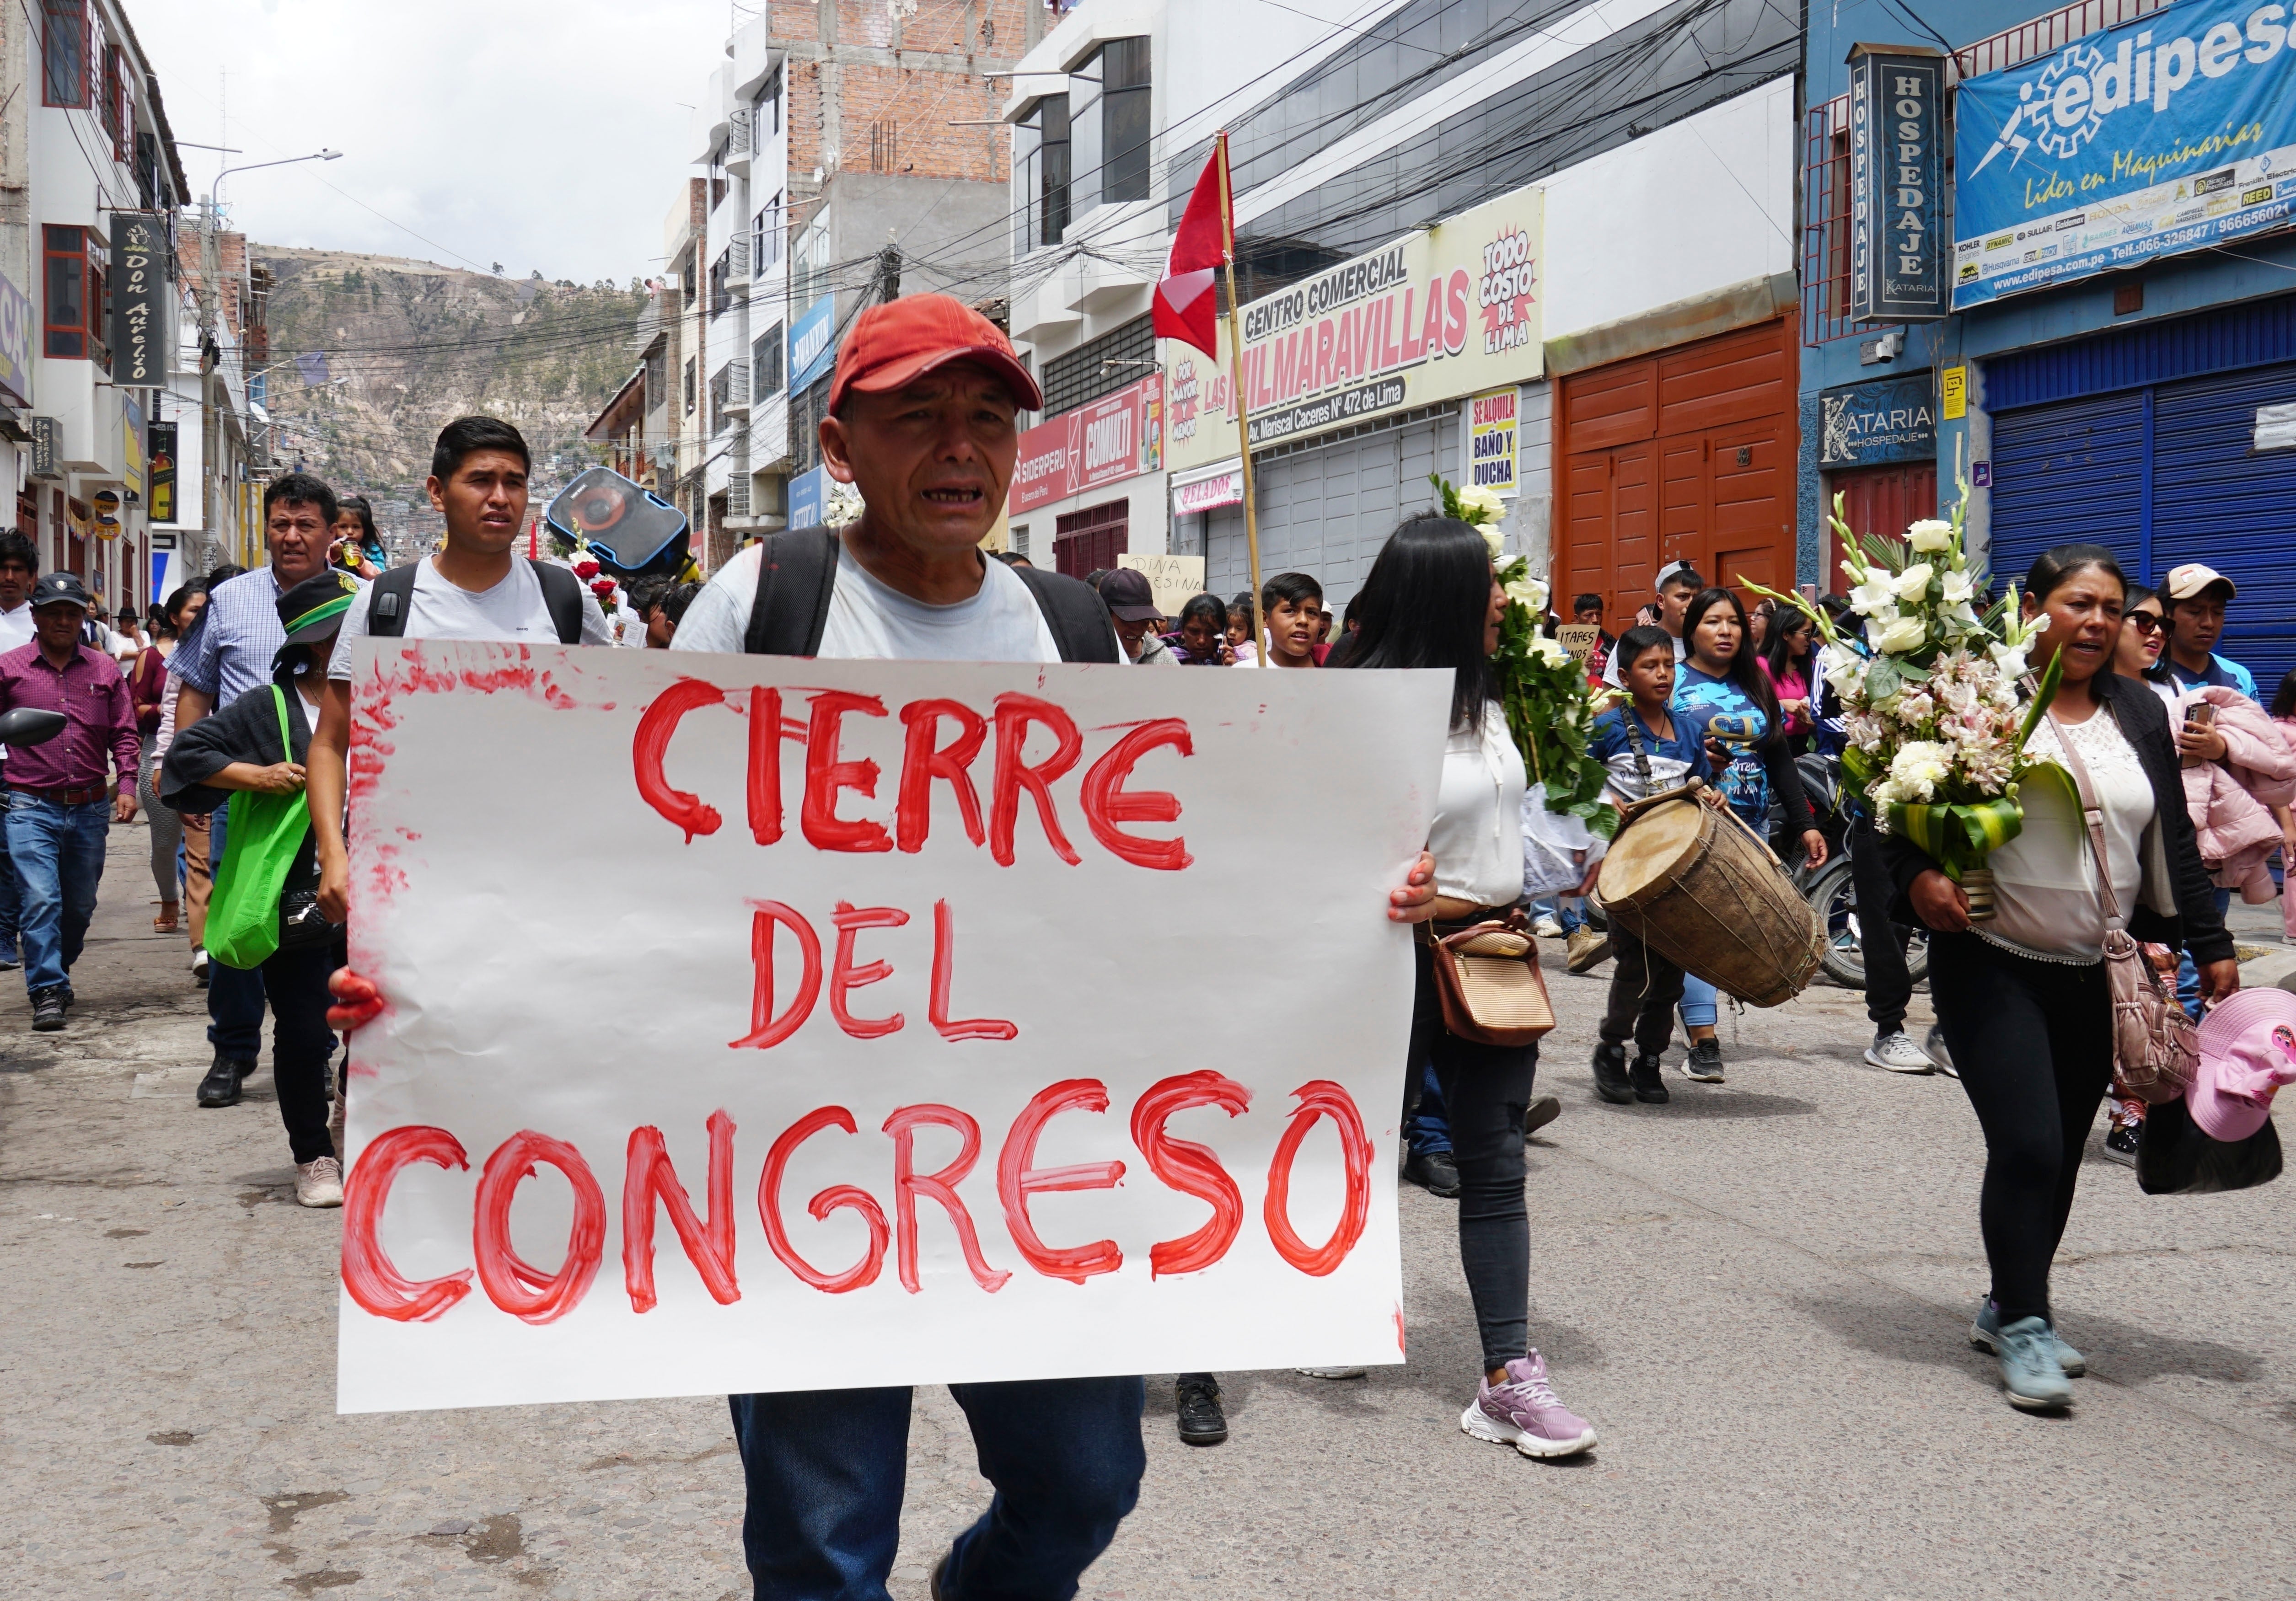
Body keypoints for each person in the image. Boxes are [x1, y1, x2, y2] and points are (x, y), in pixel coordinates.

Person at [325, 294, 1442, 1583]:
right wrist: (432, 970)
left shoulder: (1071, 630)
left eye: (985, 418)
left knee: (1087, 1482)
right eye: (917, 415)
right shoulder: (764, 603)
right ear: (840, 443)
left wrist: (1356, 894)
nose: (959, 446)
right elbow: (607, 865)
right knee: (822, 1545)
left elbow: (1197, 875)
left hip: (1034, 1174)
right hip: (788, 1176)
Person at [1888, 543, 2236, 1412]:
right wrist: (1915, 878)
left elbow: (2175, 843)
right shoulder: (1980, 701)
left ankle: (2009, 1300)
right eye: (2080, 603)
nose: (2098, 622)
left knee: (2063, 1160)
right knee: (2032, 1144)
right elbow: (1889, 812)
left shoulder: (2140, 712)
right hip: (1992, 963)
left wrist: (2210, 940)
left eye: (2113, 609)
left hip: (2098, 971)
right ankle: (2026, 1321)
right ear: (2034, 608)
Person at [1336, 510, 1595, 1458]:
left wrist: (1564, 863)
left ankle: (1507, 1374)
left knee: (1493, 1162)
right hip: (1386, 965)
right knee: (1352, 1148)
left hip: (1489, 958)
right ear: (1442, 595)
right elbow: (1311, 843)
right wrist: (1382, 887)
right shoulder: (1358, 704)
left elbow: (1500, 818)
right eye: (1486, 583)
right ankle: (1320, 1306)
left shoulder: (1484, 699)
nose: (1502, 599)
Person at [161, 569, 358, 1207]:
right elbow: (185, 758)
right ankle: (313, 1156)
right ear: (314, 644)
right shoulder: (268, 707)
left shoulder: (393, 696)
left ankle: (352, 1115)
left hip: (381, 892)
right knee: (304, 1031)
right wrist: (257, 775)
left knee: (380, 1027)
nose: (350, 642)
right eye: (338, 633)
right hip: (294, 896)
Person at [172, 476, 342, 1108]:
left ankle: (317, 1052)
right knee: (239, 925)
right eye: (280, 524)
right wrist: (195, 783)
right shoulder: (230, 598)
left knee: (324, 937)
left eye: (305, 525)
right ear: (266, 527)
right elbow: (194, 686)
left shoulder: (361, 601)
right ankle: (233, 1050)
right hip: (249, 797)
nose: (291, 536)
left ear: (331, 532)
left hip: (331, 806)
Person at [1668, 587, 1827, 1082]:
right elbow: (1648, 745)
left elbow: (1779, 755)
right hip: (1692, 826)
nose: (1726, 631)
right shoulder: (1670, 679)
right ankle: (1703, 1036)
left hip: (1752, 825)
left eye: (1733, 622)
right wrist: (1693, 760)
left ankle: (1679, 1018)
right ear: (1692, 628)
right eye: (1713, 622)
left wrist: (1804, 825)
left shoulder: (1754, 681)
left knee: (1733, 927)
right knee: (1703, 928)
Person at [1586, 626, 1720, 1103]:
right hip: (1627, 872)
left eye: (1667, 665)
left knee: (1670, 976)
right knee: (1635, 970)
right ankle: (1611, 1048)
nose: (1661, 675)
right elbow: (1577, 778)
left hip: (1676, 875)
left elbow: (1699, 786)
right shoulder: (1607, 728)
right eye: (1649, 666)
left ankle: (1649, 1058)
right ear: (1624, 675)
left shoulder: (1686, 731)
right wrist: (1603, 799)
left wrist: (1710, 796)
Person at [0, 573, 140, 1029]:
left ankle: (58, 970)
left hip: (90, 805)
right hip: (28, 803)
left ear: (83, 619)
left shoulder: (103, 670)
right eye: (53, 612)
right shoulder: (9, 668)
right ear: (36, 616)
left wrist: (129, 786)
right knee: (40, 899)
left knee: (78, 906)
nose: (63, 620)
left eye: (72, 613)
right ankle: (46, 990)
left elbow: (124, 730)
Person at [130, 586, 191, 933]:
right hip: (159, 748)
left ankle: (201, 901)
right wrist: (172, 710)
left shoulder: (215, 651)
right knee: (166, 841)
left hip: (206, 751)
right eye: (192, 610)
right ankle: (170, 897)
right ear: (174, 616)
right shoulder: (152, 657)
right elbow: (135, 707)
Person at [0, 530, 41, 969]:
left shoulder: (46, 622)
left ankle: (11, 933)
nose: (8, 577)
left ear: (31, 577)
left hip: (30, 759)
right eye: (3, 568)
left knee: (13, 852)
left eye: (17, 570)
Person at [2157, 562, 2257, 698]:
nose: (2208, 623)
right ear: (2165, 614)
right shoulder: (2142, 674)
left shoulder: (2241, 677)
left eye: (2217, 612)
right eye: (2195, 612)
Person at [1600, 559, 1701, 689]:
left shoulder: (1706, 642)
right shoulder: (1634, 643)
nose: (1691, 605)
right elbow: (1611, 702)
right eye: (1683, 597)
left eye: (1697, 598)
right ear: (1661, 601)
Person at [1759, 606, 1816, 753]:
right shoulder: (1761, 665)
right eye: (1805, 634)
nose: (1809, 640)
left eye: (1811, 634)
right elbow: (1748, 708)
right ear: (1786, 634)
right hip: (1771, 746)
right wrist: (1781, 705)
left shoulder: (1809, 665)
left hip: (1801, 744)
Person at [1100, 568, 1176, 664]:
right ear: (1105, 615)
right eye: (1128, 620)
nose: (1137, 630)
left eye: (1144, 621)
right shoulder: (1084, 654)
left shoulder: (1165, 660)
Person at [1259, 572, 1323, 669]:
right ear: (1264, 619)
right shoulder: (1244, 673)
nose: (1303, 620)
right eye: (1290, 611)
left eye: (1312, 613)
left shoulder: (1335, 668)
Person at [1164, 592, 1235, 664]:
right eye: (1194, 632)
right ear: (1183, 628)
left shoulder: (1238, 660)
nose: (1202, 641)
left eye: (1211, 633)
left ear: (1223, 633)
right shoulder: (1163, 659)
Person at [332, 494, 388, 579]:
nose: (350, 532)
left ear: (365, 529)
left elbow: (380, 579)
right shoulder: (329, 547)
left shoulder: (372, 551)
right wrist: (333, 556)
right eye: (343, 527)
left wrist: (362, 562)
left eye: (356, 527)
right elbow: (317, 570)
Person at [1571, 593, 1614, 684]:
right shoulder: (1567, 643)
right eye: (1589, 615)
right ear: (1577, 619)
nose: (1595, 620)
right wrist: (1579, 664)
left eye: (1598, 614)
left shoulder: (1611, 642)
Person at [1226, 596, 1258, 665]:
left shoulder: (1250, 652)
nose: (1232, 632)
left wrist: (1237, 663)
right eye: (1228, 627)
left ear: (1249, 632)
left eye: (1239, 629)